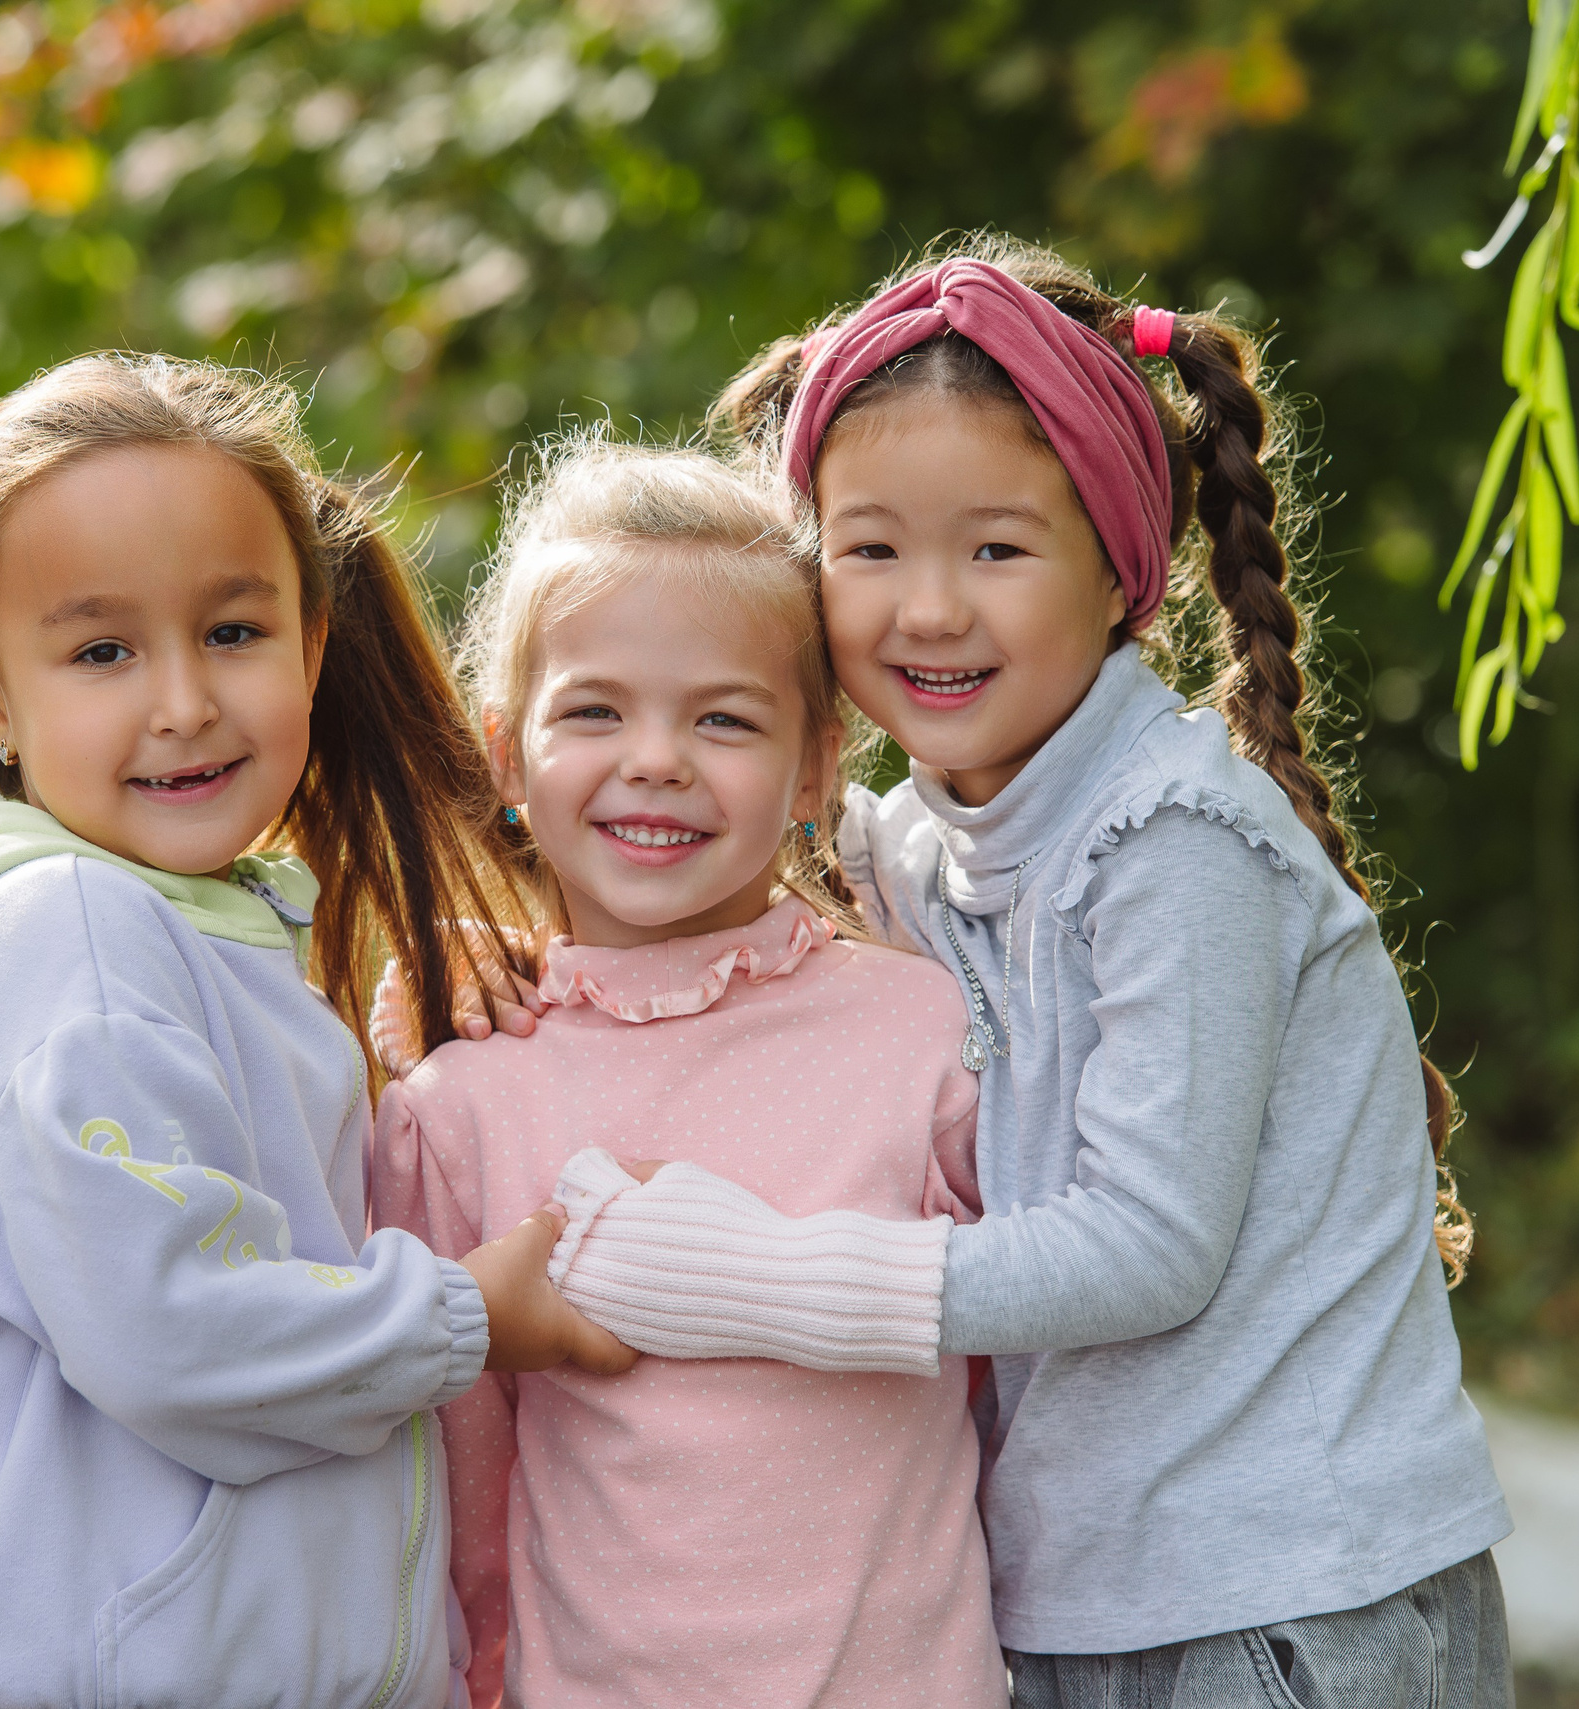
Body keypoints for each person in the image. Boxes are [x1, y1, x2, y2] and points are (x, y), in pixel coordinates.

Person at [496, 240, 1517, 1707]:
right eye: (870, 549)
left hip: (1294, 1597)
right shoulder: (913, 847)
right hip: (1081, 1597)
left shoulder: (1176, 840)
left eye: (995, 549)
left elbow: (1148, 1249)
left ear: (1120, 573)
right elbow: (673, 837)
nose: (927, 609)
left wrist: (762, 1276)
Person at [0, 352, 629, 1709]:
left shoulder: (191, 927)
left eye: (232, 633)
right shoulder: (73, 934)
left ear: (313, 638)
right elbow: (180, 1332)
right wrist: (475, 1311)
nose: (181, 700)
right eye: (104, 651)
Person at [369, 438, 1007, 1709]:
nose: (656, 756)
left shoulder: (921, 1024)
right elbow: (457, 1472)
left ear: (817, 768)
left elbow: (1023, 1382)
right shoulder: (459, 1099)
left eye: (722, 717)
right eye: (595, 710)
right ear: (508, 757)